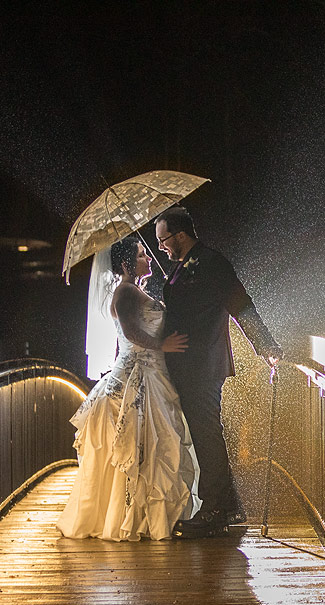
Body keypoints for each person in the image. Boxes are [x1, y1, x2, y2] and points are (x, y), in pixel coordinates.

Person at [57, 236, 196, 541]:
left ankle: (144, 517)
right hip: (137, 374)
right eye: (143, 255)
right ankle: (133, 518)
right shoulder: (125, 292)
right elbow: (132, 333)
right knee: (141, 447)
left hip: (152, 372)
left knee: (151, 447)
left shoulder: (136, 290)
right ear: (125, 264)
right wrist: (162, 344)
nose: (148, 258)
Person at [154, 206, 281, 538]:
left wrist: (265, 345)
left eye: (164, 239)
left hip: (203, 362)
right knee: (204, 433)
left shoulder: (211, 262)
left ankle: (213, 509)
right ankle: (227, 504)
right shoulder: (181, 266)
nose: (161, 247)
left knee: (206, 433)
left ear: (181, 234)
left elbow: (241, 304)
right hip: (187, 364)